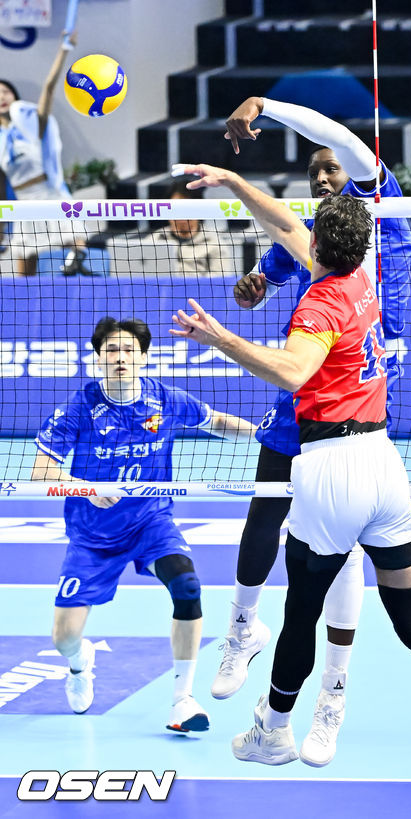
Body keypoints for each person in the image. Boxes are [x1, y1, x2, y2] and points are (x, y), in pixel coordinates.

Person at [171, 163, 411, 815]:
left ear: (319, 246)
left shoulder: (320, 303)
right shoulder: (361, 276)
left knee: (300, 613)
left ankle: (273, 732)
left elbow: (294, 372)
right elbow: (282, 222)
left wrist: (220, 337)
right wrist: (233, 182)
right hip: (385, 466)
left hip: (331, 468)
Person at [210, 96, 411, 767]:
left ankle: (332, 693)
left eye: (333, 170)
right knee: (265, 509)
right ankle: (242, 630)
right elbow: (274, 257)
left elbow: (340, 139)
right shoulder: (315, 237)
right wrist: (253, 284)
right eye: (314, 172)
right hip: (303, 395)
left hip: (355, 396)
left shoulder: (380, 213)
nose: (324, 177)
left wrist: (265, 106)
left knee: (340, 550)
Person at [31, 315, 255, 733]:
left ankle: (182, 700)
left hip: (151, 521)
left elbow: (216, 422)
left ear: (144, 358)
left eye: (129, 350)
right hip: (92, 536)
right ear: (98, 358)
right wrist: (85, 489)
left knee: (187, 586)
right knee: (64, 638)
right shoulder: (79, 408)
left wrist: (263, 436)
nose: (120, 357)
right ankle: (79, 665)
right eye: (111, 350)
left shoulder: (164, 399)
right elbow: (41, 472)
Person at [0, 32, 88, 276]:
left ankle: (76, 263)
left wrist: (64, 49)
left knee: (77, 242)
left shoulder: (33, 125)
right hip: (23, 204)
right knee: (23, 275)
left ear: (15, 97)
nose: (1, 96)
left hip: (50, 195)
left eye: (5, 91)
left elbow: (49, 88)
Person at [142, 175, 228, 278]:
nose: (182, 215)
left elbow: (220, 282)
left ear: (199, 210)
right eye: (177, 209)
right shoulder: (153, 241)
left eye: (187, 209)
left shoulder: (214, 242)